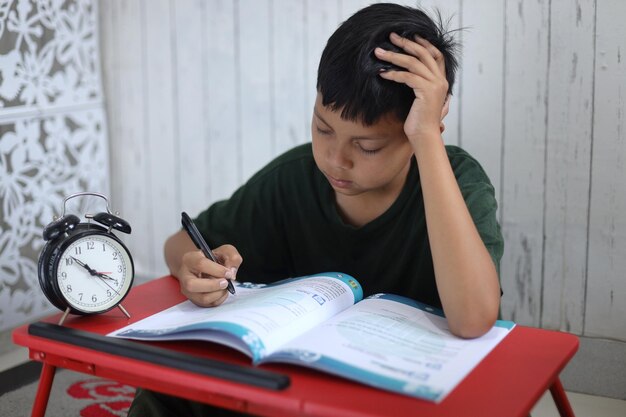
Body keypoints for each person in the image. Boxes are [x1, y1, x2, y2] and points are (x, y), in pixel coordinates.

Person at [128, 3, 503, 416]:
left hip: (400, 396)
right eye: (323, 128)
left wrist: (426, 137)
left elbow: (473, 320)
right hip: (294, 389)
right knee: (166, 392)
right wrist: (196, 266)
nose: (335, 159)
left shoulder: (458, 182)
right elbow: (179, 242)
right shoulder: (295, 175)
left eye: (367, 146)